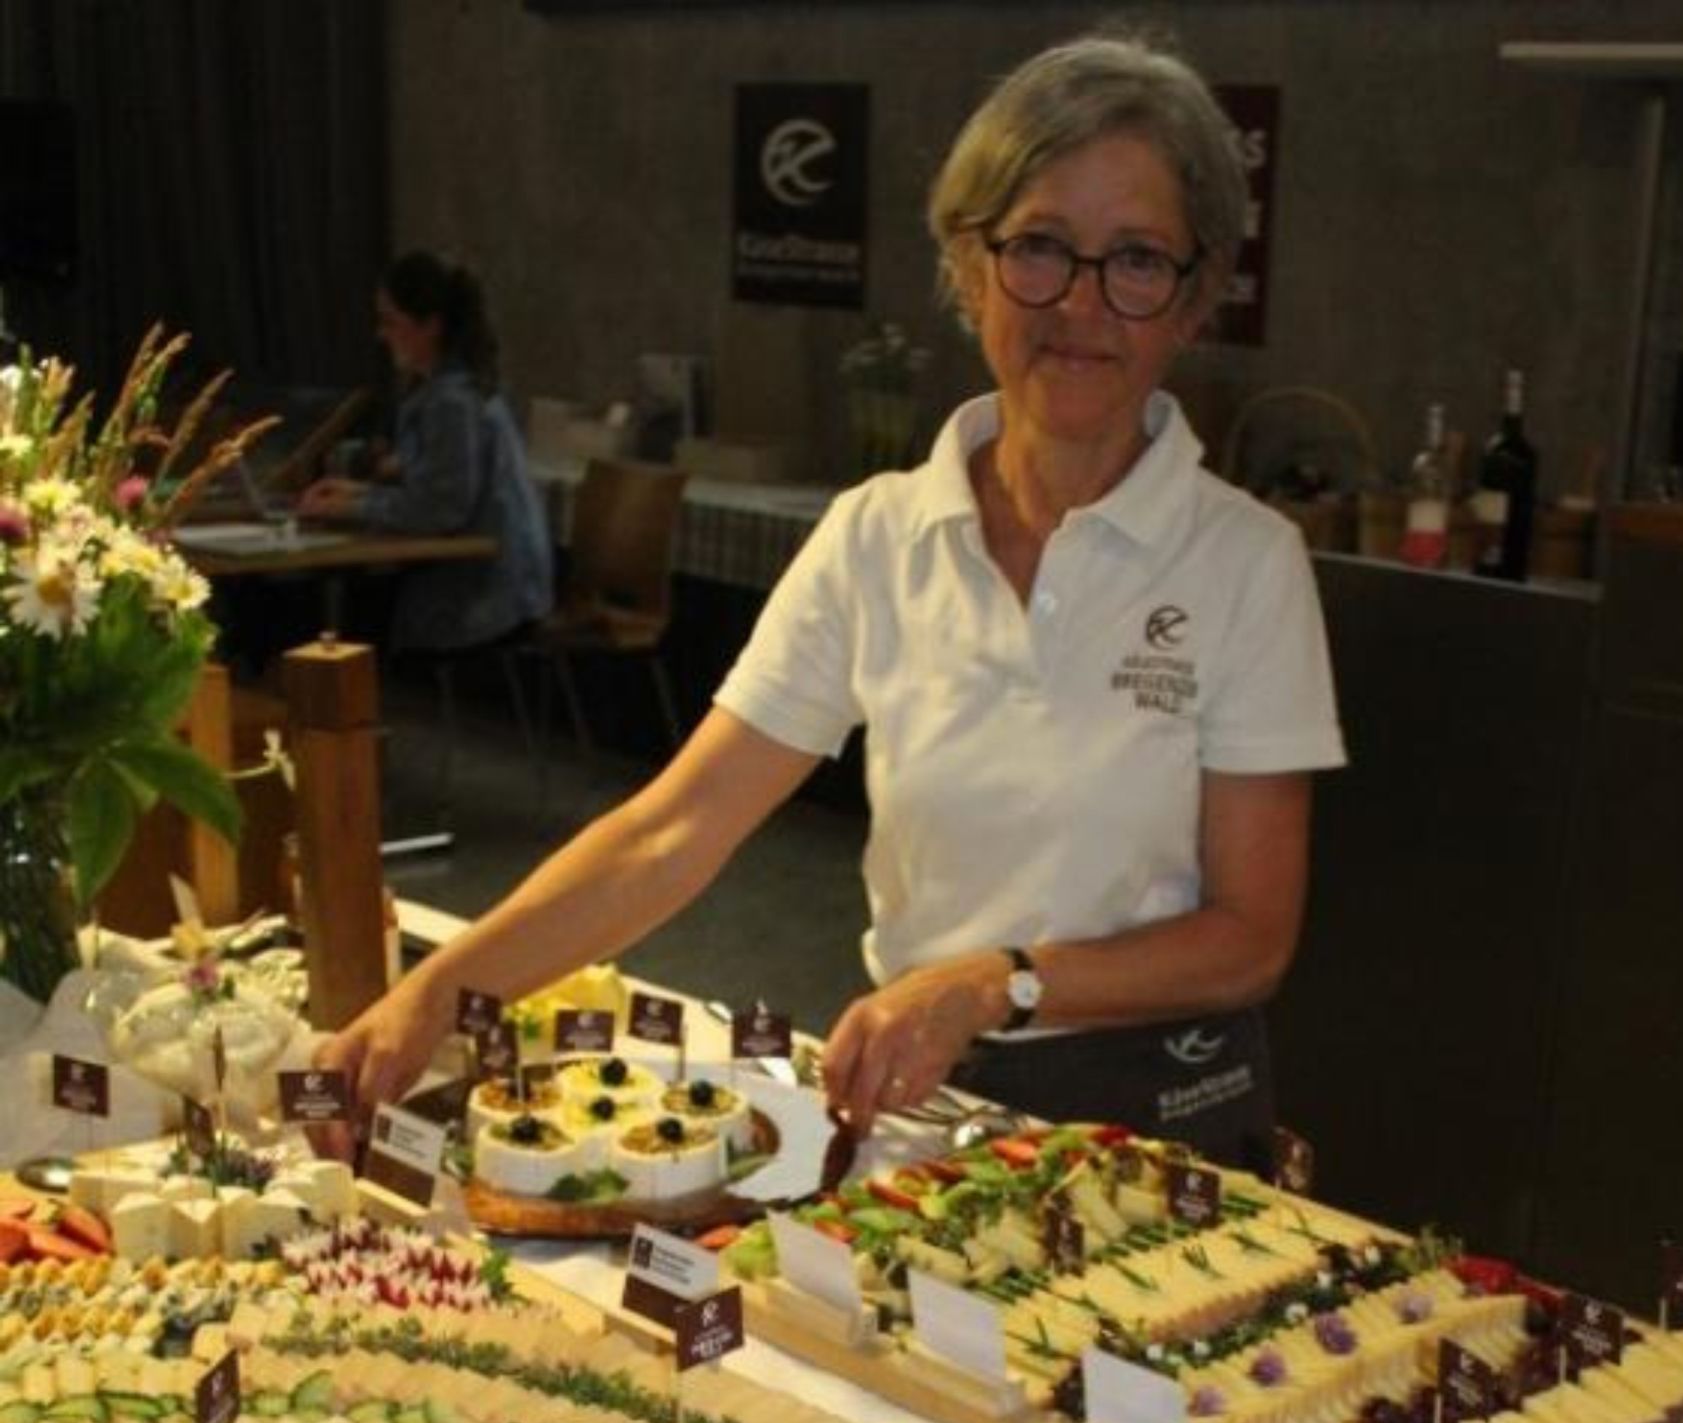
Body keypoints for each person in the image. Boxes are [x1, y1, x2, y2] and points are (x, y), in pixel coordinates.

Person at [319, 34, 1344, 1162]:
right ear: (967, 266)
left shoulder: (1247, 564)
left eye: (1137, 260)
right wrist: (444, 992)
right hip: (929, 1106)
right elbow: (670, 830)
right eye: (1041, 247)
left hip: (1160, 1124)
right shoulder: (877, 536)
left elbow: (1248, 939)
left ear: (1193, 299)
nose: (1082, 305)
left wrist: (996, 982)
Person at [298, 250, 552, 653]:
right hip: (500, 579)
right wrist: (358, 494)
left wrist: (354, 507)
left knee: (310, 613)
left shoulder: (452, 401)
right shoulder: (451, 388)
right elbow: (431, 486)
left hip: (488, 592)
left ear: (429, 327)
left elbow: (440, 508)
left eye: (390, 322)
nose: (382, 335)